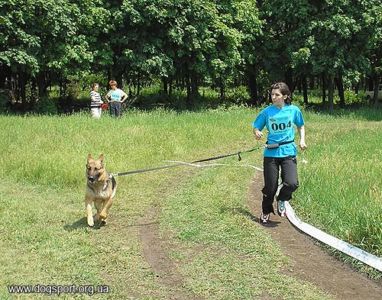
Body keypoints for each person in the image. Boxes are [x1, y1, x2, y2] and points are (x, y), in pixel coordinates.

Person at [252, 82, 307, 225]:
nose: (273, 97)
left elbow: (300, 125)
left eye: (277, 95)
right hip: (271, 153)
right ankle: (265, 210)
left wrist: (302, 140)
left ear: (285, 96)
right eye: (272, 94)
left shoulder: (293, 110)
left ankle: (282, 199)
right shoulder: (267, 112)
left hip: (288, 151)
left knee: (292, 183)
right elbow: (256, 126)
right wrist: (257, 132)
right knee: (270, 187)